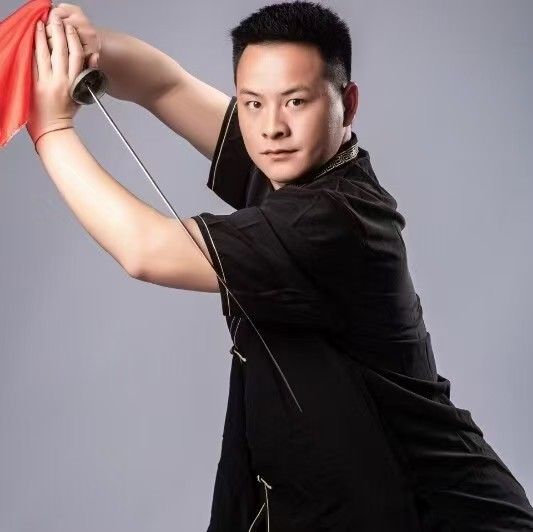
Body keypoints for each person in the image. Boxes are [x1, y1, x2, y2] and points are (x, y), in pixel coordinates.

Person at [31, 2, 533, 530]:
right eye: (252, 103)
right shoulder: (302, 168)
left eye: (295, 101)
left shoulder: (332, 220)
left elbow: (146, 250)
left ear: (348, 104)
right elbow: (166, 86)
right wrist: (87, 46)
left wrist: (52, 128)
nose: (271, 128)